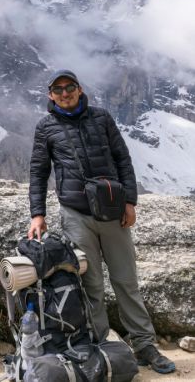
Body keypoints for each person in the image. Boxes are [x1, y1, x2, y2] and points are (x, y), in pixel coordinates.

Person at [28, 69, 176, 375]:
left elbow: (123, 159)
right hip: (75, 215)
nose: (65, 93)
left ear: (80, 89)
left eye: (70, 87)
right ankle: (102, 347)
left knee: (125, 280)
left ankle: (145, 346)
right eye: (58, 90)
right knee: (91, 285)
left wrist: (130, 202)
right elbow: (39, 172)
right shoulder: (46, 128)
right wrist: (37, 214)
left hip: (112, 211)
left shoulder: (102, 118)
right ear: (50, 96)